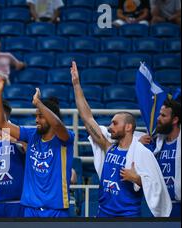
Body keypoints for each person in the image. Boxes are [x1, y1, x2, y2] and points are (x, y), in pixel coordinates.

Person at [71, 61, 171, 217]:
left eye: (115, 123)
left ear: (128, 127)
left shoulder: (142, 153)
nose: (110, 127)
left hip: (128, 217)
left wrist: (137, 179)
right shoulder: (108, 147)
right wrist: (77, 84)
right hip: (103, 213)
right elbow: (87, 118)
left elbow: (157, 188)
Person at [0, 71, 74, 217]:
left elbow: (58, 126)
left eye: (41, 117)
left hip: (56, 208)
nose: (36, 120)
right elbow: (1, 123)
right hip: (30, 208)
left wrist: (39, 103)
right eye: (36, 116)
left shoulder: (66, 138)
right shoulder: (31, 134)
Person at [139, 98, 181, 217]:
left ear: (175, 120)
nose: (158, 119)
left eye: (163, 116)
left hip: (178, 205)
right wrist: (139, 144)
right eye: (159, 115)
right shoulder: (156, 143)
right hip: (159, 205)